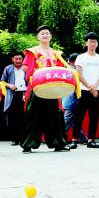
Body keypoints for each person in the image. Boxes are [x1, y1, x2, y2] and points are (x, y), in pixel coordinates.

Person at [20, 25, 75, 153]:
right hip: (37, 87)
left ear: (50, 36)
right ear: (38, 37)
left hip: (52, 88)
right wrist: (38, 73)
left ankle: (58, 143)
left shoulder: (56, 54)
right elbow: (24, 68)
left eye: (47, 33)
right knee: (33, 115)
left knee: (54, 116)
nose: (45, 35)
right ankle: (28, 143)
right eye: (42, 33)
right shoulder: (32, 51)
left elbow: (61, 70)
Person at [69, 32, 99, 149]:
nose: (92, 43)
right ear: (86, 43)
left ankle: (91, 140)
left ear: (97, 44)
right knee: (79, 116)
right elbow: (78, 74)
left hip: (96, 91)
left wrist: (94, 87)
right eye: (90, 41)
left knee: (94, 116)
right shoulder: (81, 57)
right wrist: (90, 87)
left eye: (94, 41)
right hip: (83, 91)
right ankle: (74, 140)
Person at [1, 52, 27, 145]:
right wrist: (10, 85)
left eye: (20, 59)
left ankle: (24, 138)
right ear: (12, 59)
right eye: (16, 59)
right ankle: (15, 139)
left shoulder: (26, 68)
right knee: (12, 116)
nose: (18, 61)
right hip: (13, 94)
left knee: (24, 116)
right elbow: (2, 82)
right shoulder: (8, 68)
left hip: (24, 93)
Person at [62, 53, 88, 144]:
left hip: (68, 99)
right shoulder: (73, 71)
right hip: (72, 99)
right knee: (68, 120)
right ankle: (58, 137)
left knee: (75, 120)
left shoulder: (67, 70)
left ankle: (82, 137)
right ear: (74, 62)